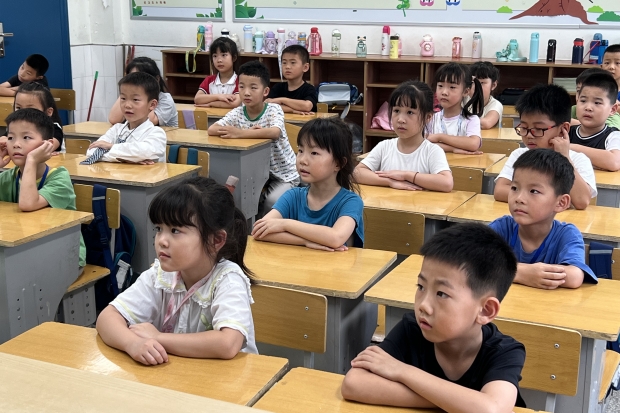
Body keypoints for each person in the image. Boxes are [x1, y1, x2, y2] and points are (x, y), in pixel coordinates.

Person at [341, 223, 525, 412]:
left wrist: (402, 371)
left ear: (485, 310)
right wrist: (461, 404)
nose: (423, 305)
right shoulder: (412, 329)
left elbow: (491, 409)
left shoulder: (504, 351)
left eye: (441, 294)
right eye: (421, 287)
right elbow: (353, 384)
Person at [96, 177, 257, 365]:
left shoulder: (228, 280)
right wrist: (133, 343)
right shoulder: (160, 276)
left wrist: (158, 337)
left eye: (175, 231)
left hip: (230, 379)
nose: (161, 241)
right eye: (159, 229)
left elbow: (228, 343)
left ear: (216, 240)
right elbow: (107, 318)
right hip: (182, 374)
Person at [490, 149, 596, 289]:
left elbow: (574, 276)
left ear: (561, 203)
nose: (519, 198)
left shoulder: (566, 234)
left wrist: (506, 271)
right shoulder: (502, 227)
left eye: (534, 191)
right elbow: (470, 260)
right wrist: (521, 272)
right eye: (514, 188)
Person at [252, 117, 364, 250]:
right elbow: (259, 232)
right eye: (300, 151)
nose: (302, 160)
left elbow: (336, 238)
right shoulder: (293, 196)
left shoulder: (351, 201)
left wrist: (285, 224)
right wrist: (304, 241)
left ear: (338, 163)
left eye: (314, 153)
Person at [208, 61, 299, 216]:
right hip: (258, 175)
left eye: (253, 88)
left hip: (285, 175)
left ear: (265, 91)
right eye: (241, 87)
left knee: (271, 202)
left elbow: (274, 132)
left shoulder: (273, 109)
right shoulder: (238, 112)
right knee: (242, 200)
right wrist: (245, 132)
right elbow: (212, 129)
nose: (246, 93)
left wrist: (239, 133)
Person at [0, 109, 85, 269]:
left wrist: (31, 160)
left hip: (64, 256)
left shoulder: (59, 178)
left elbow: (28, 204)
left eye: (26, 137)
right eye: (10, 137)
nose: (16, 144)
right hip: (24, 252)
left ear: (48, 145)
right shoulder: (8, 177)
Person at [493, 84, 596, 210]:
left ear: (563, 129)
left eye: (538, 129)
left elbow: (581, 201)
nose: (529, 135)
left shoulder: (578, 160)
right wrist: (552, 201)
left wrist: (565, 158)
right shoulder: (519, 155)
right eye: (524, 128)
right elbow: (500, 190)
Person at [354, 81, 453, 192]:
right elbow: (357, 173)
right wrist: (390, 182)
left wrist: (406, 175)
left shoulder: (432, 151)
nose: (400, 119)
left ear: (428, 117)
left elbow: (447, 183)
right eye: (396, 111)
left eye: (410, 112)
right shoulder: (384, 147)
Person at [84, 72, 166, 164]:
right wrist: (128, 159)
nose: (127, 105)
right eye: (123, 98)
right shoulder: (116, 129)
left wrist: (111, 147)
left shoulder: (157, 133)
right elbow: (91, 152)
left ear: (152, 105)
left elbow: (143, 152)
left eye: (135, 100)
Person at [426, 63, 484, 153]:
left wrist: (439, 137)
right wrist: (453, 149)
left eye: (452, 87)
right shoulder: (431, 118)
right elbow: (424, 144)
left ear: (465, 92)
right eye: (440, 86)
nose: (444, 92)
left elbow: (473, 144)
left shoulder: (471, 119)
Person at [569, 72, 620, 171]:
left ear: (613, 109)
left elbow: (614, 162)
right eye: (583, 101)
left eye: (597, 103)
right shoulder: (566, 132)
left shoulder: (613, 135)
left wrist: (569, 147)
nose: (588, 107)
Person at [108, 57, 178, 127]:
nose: (137, 83)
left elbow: (148, 122)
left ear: (157, 79)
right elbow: (114, 119)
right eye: (132, 78)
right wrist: (126, 92)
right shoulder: (129, 97)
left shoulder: (166, 100)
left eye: (143, 79)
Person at [11, 82, 64, 152]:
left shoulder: (54, 128)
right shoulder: (13, 127)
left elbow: (45, 148)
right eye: (18, 108)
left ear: (48, 112)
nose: (23, 113)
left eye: (30, 109)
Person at [265, 45, 317, 114]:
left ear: (305, 67)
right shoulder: (278, 87)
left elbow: (307, 106)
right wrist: (293, 110)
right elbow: (268, 105)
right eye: (284, 63)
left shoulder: (309, 89)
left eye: (293, 63)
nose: (287, 67)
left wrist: (281, 100)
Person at [194, 37, 240, 109]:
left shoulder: (240, 81)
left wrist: (211, 104)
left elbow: (234, 103)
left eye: (224, 55)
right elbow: (197, 99)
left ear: (234, 58)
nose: (219, 60)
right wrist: (219, 96)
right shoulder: (209, 80)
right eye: (215, 56)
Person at [468, 61, 503, 129]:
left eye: (482, 83)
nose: (476, 87)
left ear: (493, 85)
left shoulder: (496, 105)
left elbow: (486, 123)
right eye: (472, 82)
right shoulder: (463, 99)